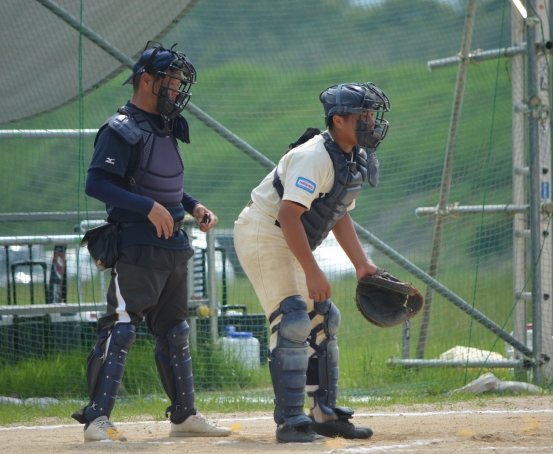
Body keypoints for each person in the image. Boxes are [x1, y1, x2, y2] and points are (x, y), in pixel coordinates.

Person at [71, 42, 230, 442]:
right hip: (138, 246)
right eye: (171, 82)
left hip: (173, 245)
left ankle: (184, 415)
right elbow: (97, 183)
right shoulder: (120, 127)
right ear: (146, 81)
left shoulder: (165, 125)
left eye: (178, 83)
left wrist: (193, 206)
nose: (176, 90)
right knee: (122, 326)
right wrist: (147, 208)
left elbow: (161, 182)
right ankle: (97, 420)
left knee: (175, 330)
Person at [233, 83, 391, 443]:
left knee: (323, 319)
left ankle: (323, 414)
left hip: (286, 235)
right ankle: (290, 421)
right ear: (339, 120)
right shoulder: (314, 156)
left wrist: (362, 264)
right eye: (363, 115)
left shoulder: (351, 158)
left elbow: (338, 213)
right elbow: (289, 216)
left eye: (372, 114)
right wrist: (312, 271)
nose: (371, 121)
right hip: (263, 230)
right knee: (292, 319)